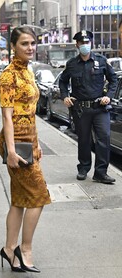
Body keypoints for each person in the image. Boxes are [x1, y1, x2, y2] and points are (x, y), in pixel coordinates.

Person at [0, 26, 51, 273]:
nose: (30, 47)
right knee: (39, 196)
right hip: (15, 143)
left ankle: (9, 250)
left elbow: (30, 113)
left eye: (33, 43)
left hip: (28, 141)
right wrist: (10, 151)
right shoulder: (9, 75)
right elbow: (7, 117)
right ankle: (24, 249)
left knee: (19, 200)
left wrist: (37, 143)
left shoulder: (28, 71)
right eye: (25, 44)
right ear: (13, 46)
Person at [59, 30, 117, 184]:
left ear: (91, 43)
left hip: (100, 108)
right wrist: (65, 96)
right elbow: (62, 81)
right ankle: (84, 168)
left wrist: (109, 96)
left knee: (103, 138)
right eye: (82, 43)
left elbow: (114, 80)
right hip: (81, 109)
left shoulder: (101, 60)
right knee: (84, 140)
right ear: (77, 44)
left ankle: (100, 173)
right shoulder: (72, 64)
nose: (85, 45)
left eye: (87, 42)